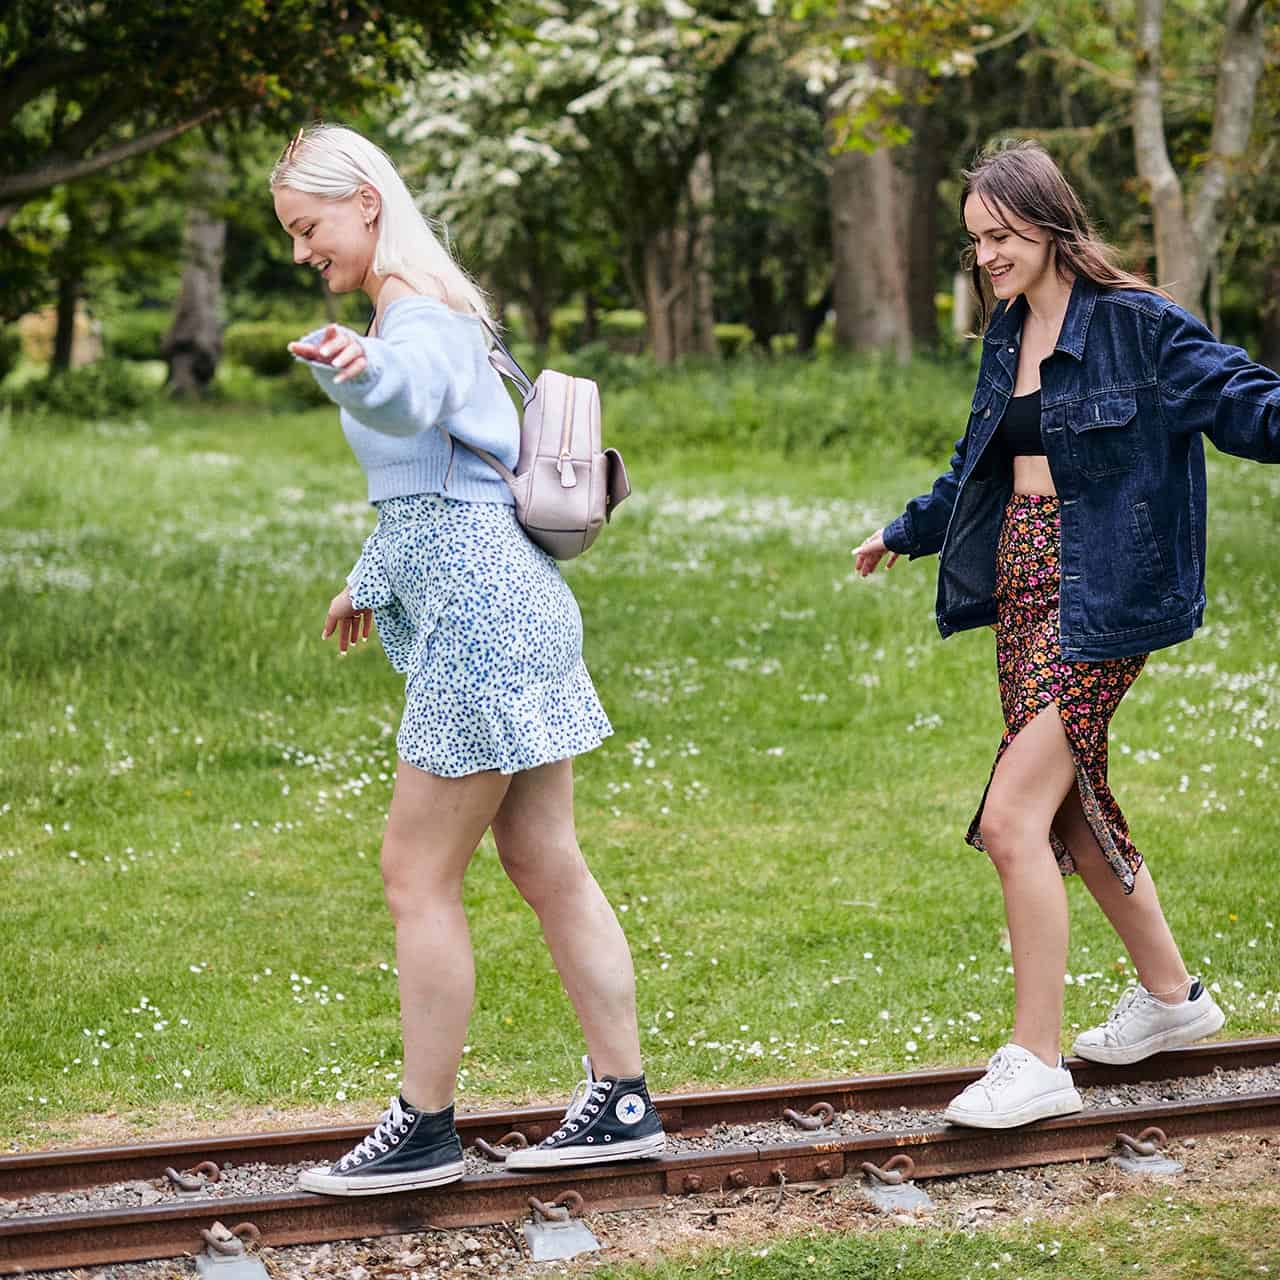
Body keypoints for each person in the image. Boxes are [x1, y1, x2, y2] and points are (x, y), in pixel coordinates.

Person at [269, 124, 664, 1194]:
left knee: (416, 873)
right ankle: (621, 1097)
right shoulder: (422, 304)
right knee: (545, 862)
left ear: (361, 199)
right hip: (514, 602)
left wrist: (360, 371)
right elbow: (435, 480)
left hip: (485, 622)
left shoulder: (412, 307)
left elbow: (412, 398)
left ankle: (424, 1123)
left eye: (308, 227)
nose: (304, 250)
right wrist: (370, 571)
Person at [854, 139, 1279, 1129]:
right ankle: (1173, 997)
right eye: (973, 243)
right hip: (1022, 578)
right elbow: (977, 459)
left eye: (999, 237)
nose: (986, 258)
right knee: (1069, 807)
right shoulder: (1006, 332)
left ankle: (1032, 1057)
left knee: (1010, 819)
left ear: (1046, 224)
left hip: (1105, 588)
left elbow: (1244, 402)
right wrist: (903, 532)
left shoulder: (1135, 324)